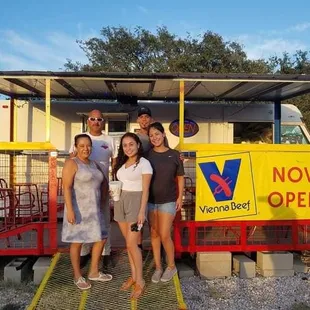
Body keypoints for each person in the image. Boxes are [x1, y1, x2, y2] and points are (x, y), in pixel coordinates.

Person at [62, 134, 113, 290]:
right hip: (78, 209)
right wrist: (70, 210)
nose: (86, 148)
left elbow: (104, 182)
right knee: (77, 241)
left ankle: (94, 271)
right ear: (76, 147)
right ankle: (77, 276)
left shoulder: (94, 164)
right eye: (82, 145)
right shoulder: (72, 163)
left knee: (101, 238)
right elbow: (66, 187)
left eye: (88, 145)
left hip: (95, 209)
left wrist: (104, 199)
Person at [69, 109, 117, 267]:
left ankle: (106, 253)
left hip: (102, 187)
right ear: (88, 121)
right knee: (84, 220)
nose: (96, 122)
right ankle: (84, 252)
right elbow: (72, 161)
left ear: (103, 122)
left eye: (99, 119)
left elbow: (115, 163)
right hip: (83, 188)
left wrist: (114, 182)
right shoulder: (81, 138)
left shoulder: (109, 140)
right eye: (92, 119)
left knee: (104, 220)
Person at [112, 132, 152, 299]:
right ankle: (134, 276)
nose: (128, 148)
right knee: (128, 244)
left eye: (131, 144)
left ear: (138, 145)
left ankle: (140, 281)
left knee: (132, 243)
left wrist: (142, 211)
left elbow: (146, 190)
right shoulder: (122, 163)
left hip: (136, 203)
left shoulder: (144, 163)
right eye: (125, 145)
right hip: (120, 201)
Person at [146, 122, 185, 283]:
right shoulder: (147, 156)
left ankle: (171, 266)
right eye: (151, 135)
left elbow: (181, 177)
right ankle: (158, 267)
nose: (154, 137)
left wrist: (180, 197)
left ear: (163, 135)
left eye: (157, 134)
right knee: (154, 235)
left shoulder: (175, 155)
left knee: (164, 234)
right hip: (150, 201)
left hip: (168, 200)